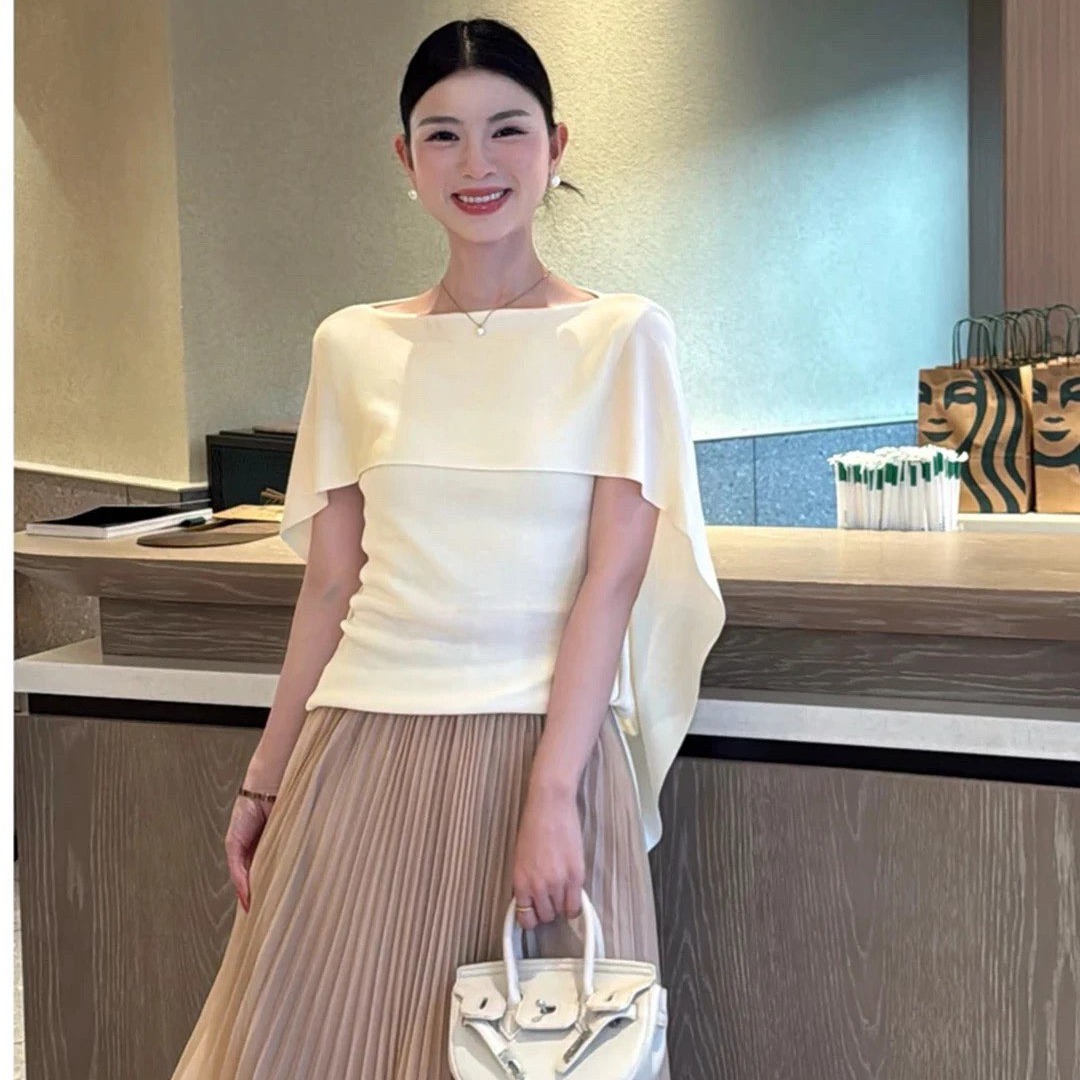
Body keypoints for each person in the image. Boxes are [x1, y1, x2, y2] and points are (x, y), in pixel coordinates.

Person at [170, 17, 725, 1080]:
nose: (478, 163)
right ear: (405, 157)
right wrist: (263, 782)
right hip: (358, 755)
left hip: (543, 755)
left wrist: (552, 798)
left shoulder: (622, 338)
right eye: (443, 135)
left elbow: (611, 583)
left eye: (507, 129)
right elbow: (331, 587)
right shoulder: (351, 344)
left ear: (555, 145)